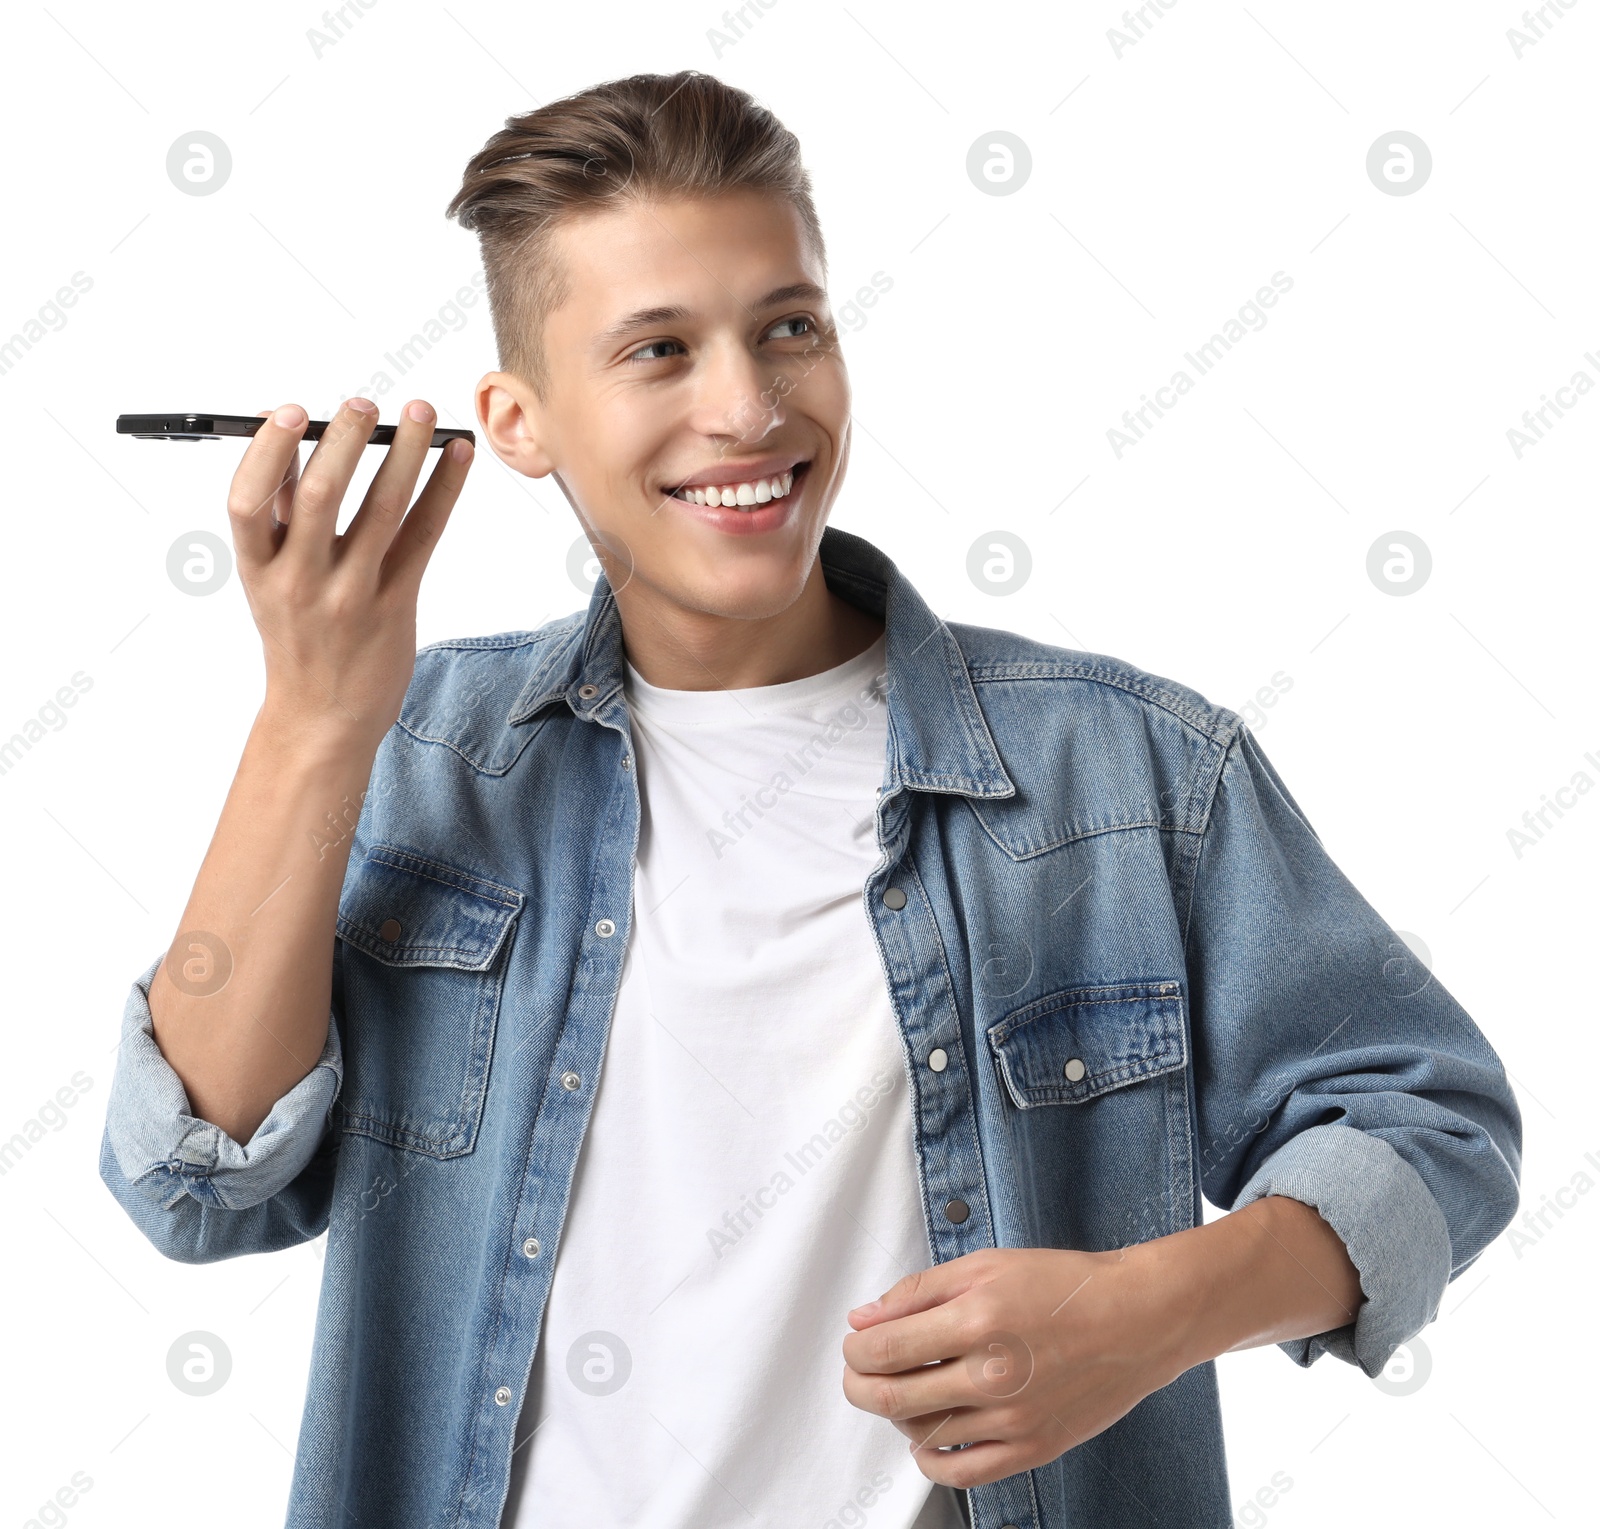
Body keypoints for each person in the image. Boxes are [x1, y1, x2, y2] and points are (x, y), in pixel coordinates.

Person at [99, 69, 1522, 1529]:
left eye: (790, 326)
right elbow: (195, 1176)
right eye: (657, 349)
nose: (749, 406)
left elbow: (1435, 1126)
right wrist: (316, 716)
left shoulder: (1125, 773)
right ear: (517, 422)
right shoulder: (429, 752)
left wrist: (1150, 1309)